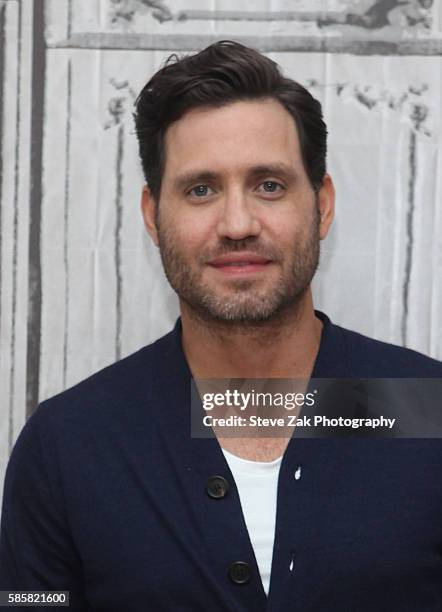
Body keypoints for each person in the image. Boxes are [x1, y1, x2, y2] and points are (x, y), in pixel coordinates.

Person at [0, 41, 441, 611]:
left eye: (269, 185)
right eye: (201, 189)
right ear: (153, 215)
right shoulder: (68, 445)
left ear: (322, 205)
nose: (237, 224)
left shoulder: (424, 412)